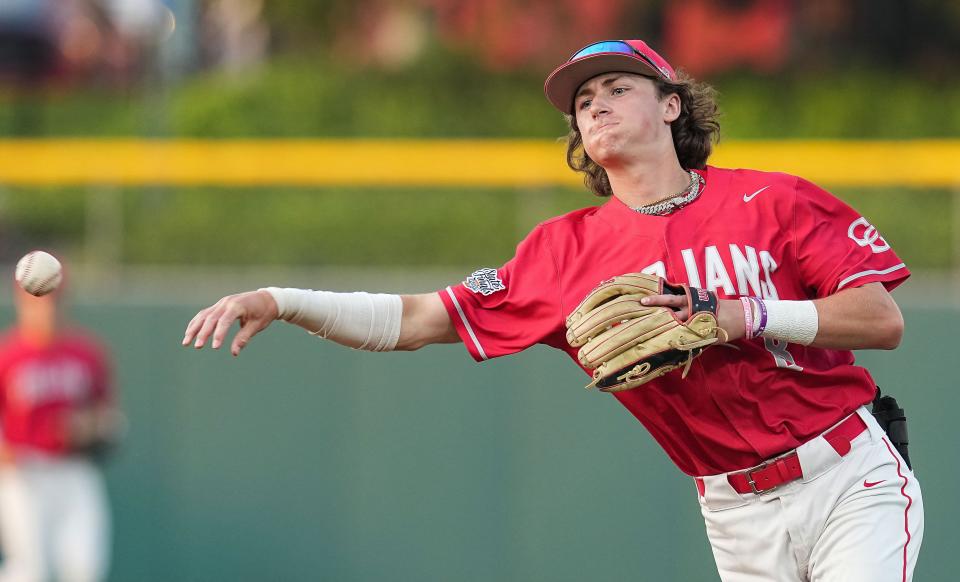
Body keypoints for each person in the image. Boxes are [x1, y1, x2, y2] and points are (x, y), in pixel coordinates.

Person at [182, 39, 924, 581]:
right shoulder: (563, 253)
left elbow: (880, 320)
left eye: (615, 87)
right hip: (733, 514)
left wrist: (744, 315)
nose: (594, 104)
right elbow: (415, 320)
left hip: (845, 477)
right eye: (582, 101)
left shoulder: (773, 200)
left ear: (671, 105)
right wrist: (281, 300)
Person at [0, 281, 121, 582]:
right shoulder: (7, 355)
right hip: (24, 473)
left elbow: (110, 418)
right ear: (21, 302)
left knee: (84, 568)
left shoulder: (86, 352)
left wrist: (88, 427)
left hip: (75, 470)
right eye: (38, 300)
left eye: (54, 300)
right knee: (31, 570)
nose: (47, 308)